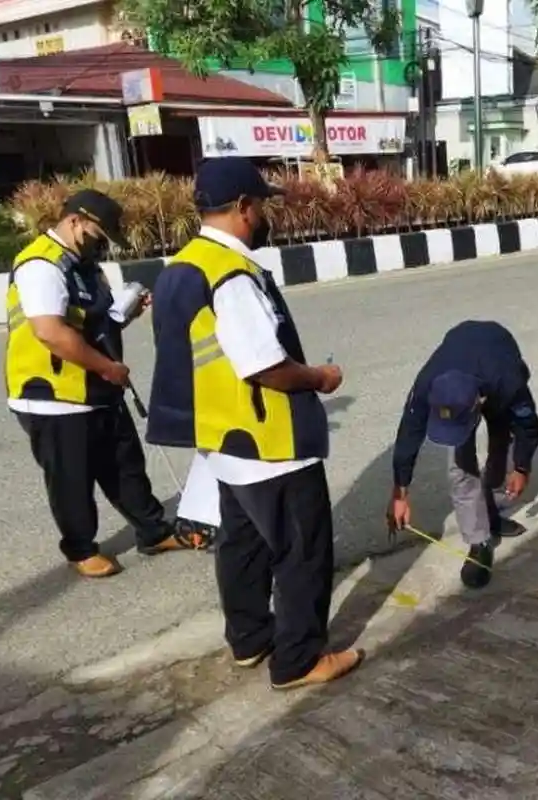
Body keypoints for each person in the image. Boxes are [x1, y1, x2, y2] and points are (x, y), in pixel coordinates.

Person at [145, 157, 361, 690]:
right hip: (269, 442)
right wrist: (320, 377)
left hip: (223, 440)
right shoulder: (231, 276)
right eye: (262, 205)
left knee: (242, 545)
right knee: (301, 552)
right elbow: (265, 366)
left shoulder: (180, 267)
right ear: (244, 208)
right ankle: (299, 660)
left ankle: (249, 640)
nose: (267, 216)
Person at [5, 188, 196, 579]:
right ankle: (80, 548)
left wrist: (124, 315)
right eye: (100, 236)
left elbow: (92, 320)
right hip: (54, 395)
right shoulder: (41, 265)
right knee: (71, 478)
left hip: (97, 388)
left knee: (125, 465)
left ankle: (153, 531)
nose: (102, 245)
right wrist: (108, 368)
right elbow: (50, 332)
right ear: (76, 222)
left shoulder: (85, 265)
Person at [387, 320, 538, 589]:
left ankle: (491, 511)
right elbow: (408, 435)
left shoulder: (509, 381)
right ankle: (478, 538)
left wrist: (522, 467)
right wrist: (400, 491)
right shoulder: (427, 386)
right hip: (460, 357)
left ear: (478, 404)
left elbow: (528, 424)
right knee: (460, 469)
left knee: (502, 444)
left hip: (496, 364)